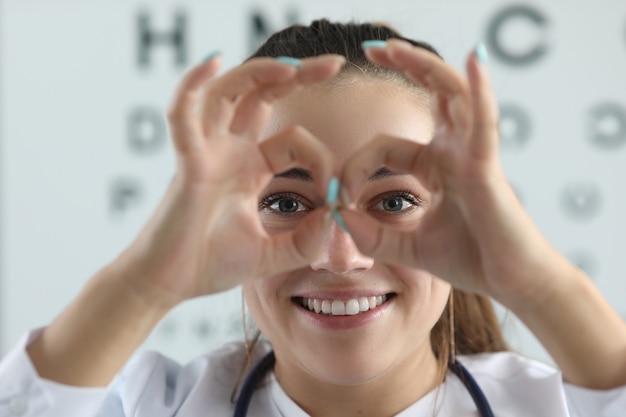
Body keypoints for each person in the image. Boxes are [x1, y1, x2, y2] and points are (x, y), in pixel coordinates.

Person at [1, 19, 625, 417]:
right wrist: (147, 282)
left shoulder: (550, 408)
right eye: (285, 204)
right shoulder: (150, 406)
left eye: (395, 202)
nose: (339, 255)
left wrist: (538, 283)